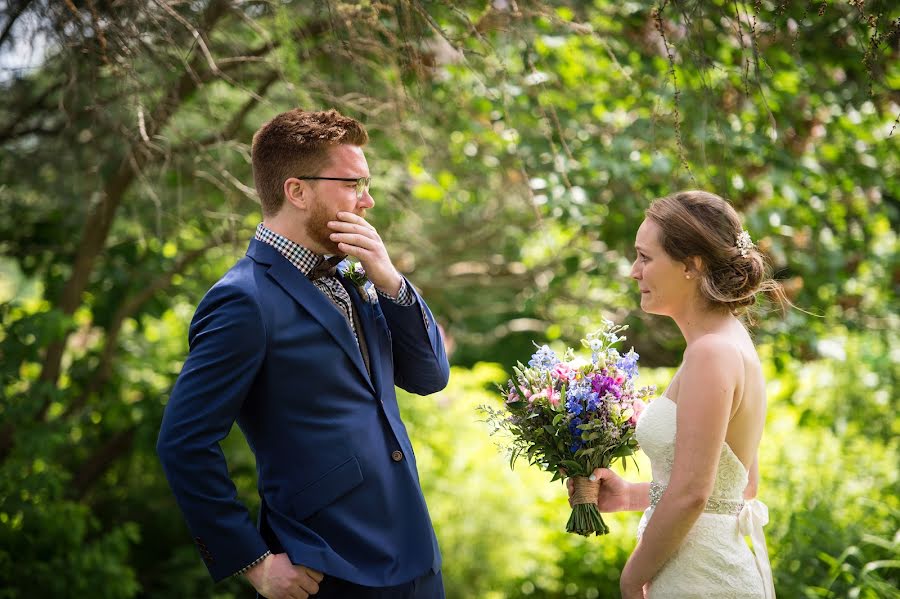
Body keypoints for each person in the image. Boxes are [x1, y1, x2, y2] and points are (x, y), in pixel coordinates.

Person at [157, 108, 450, 599]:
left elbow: (429, 377)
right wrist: (252, 561)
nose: (368, 199)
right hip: (326, 569)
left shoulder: (357, 273)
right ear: (297, 190)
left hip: (416, 558)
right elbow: (183, 443)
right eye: (354, 184)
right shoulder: (242, 300)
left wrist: (392, 281)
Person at [570, 190, 778, 598]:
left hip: (701, 580)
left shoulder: (711, 353)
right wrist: (630, 495)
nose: (634, 271)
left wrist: (632, 577)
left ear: (691, 265)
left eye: (645, 257)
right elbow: (741, 486)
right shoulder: (725, 343)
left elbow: (691, 494)